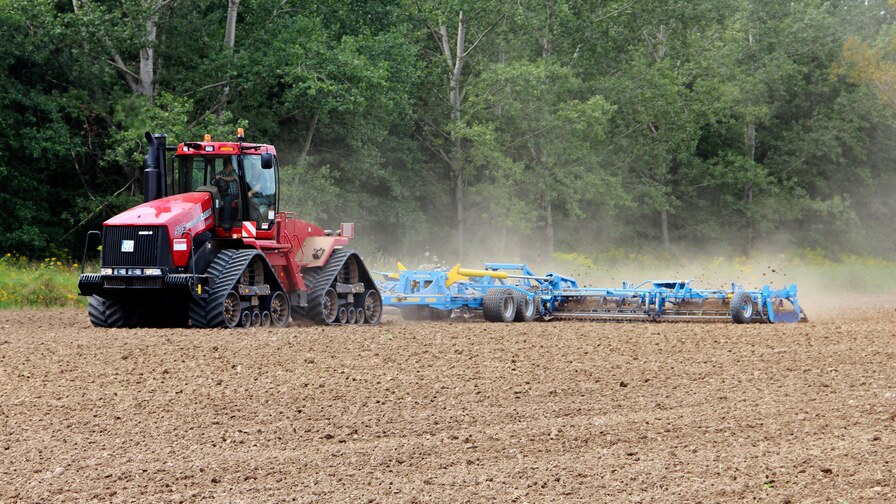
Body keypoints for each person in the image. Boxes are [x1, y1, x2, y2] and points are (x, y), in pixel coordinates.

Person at [215, 158, 239, 227]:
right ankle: (217, 220)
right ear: (228, 166)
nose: (233, 166)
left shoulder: (234, 172)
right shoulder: (219, 174)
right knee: (216, 200)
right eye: (231, 165)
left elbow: (232, 178)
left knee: (227, 199)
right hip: (224, 194)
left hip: (235, 194)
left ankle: (226, 222)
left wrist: (221, 178)